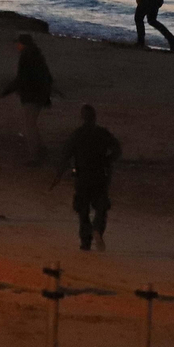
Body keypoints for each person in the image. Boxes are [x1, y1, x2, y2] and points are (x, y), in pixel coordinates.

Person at [52, 104, 122, 252]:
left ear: (82, 118)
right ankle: (97, 228)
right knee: (101, 207)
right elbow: (117, 150)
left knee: (83, 211)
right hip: (100, 175)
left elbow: (65, 156)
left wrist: (58, 175)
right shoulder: (102, 133)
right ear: (94, 117)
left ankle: (85, 242)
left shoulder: (77, 134)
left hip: (82, 176)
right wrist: (107, 160)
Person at [0, 33, 56, 165]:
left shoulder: (26, 57)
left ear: (23, 44)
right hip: (39, 95)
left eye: (18, 43)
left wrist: (6, 91)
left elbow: (21, 78)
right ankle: (41, 149)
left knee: (29, 126)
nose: (17, 45)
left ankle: (35, 156)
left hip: (32, 95)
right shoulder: (37, 56)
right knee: (31, 123)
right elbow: (47, 76)